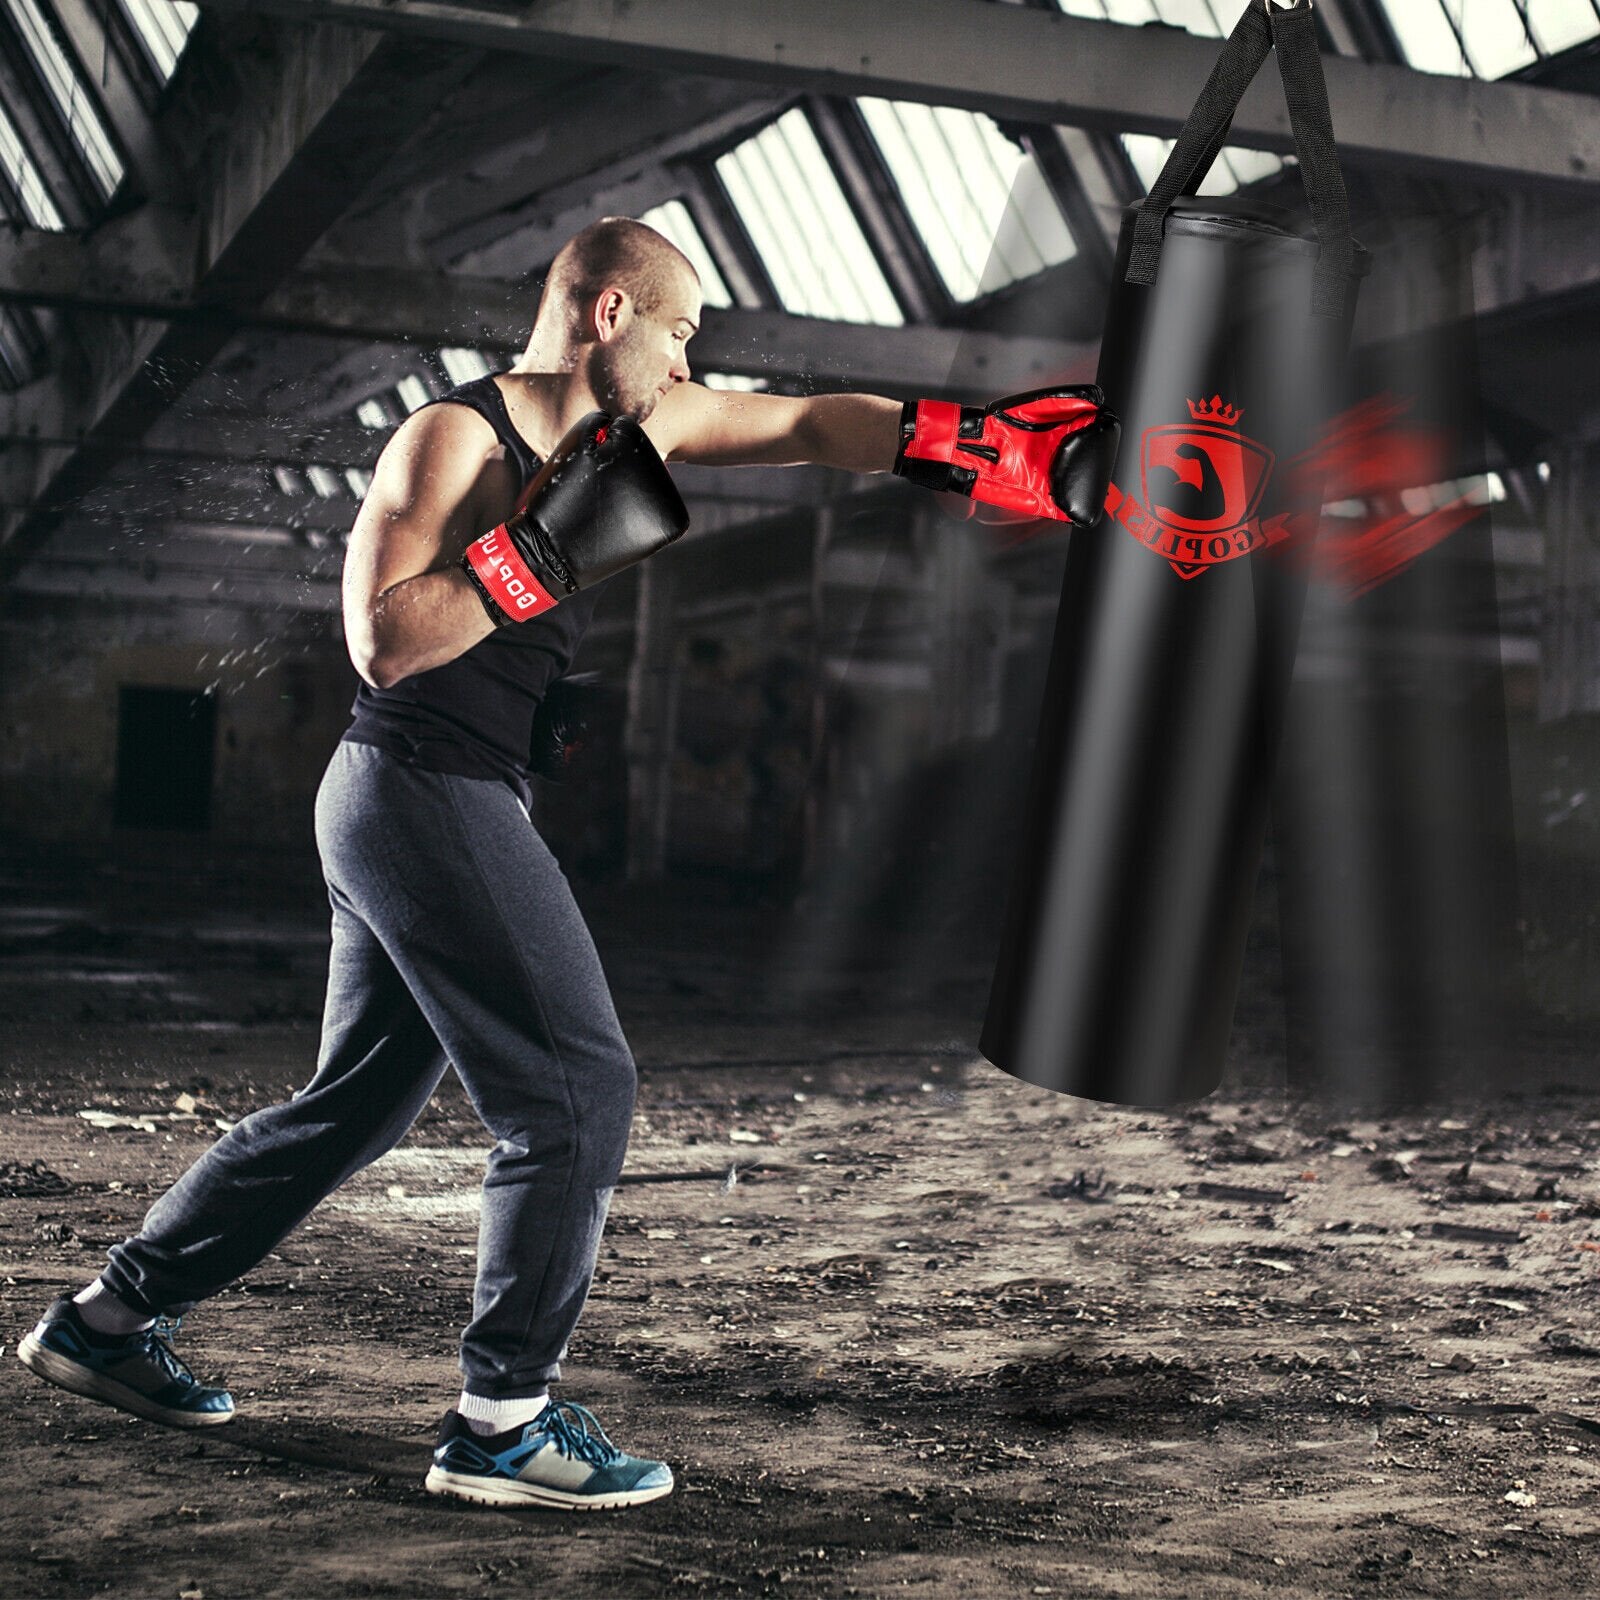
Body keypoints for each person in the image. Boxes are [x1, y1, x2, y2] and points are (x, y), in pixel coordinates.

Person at [18, 217, 1118, 1512]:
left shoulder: (642, 426)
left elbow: (820, 425)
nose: (691, 356)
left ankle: (105, 1321)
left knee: (352, 1110)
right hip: (417, 785)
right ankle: (500, 1419)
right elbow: (382, 643)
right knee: (579, 1088)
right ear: (609, 317)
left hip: (438, 798)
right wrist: (537, 555)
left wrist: (987, 446)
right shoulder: (451, 437)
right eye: (680, 329)